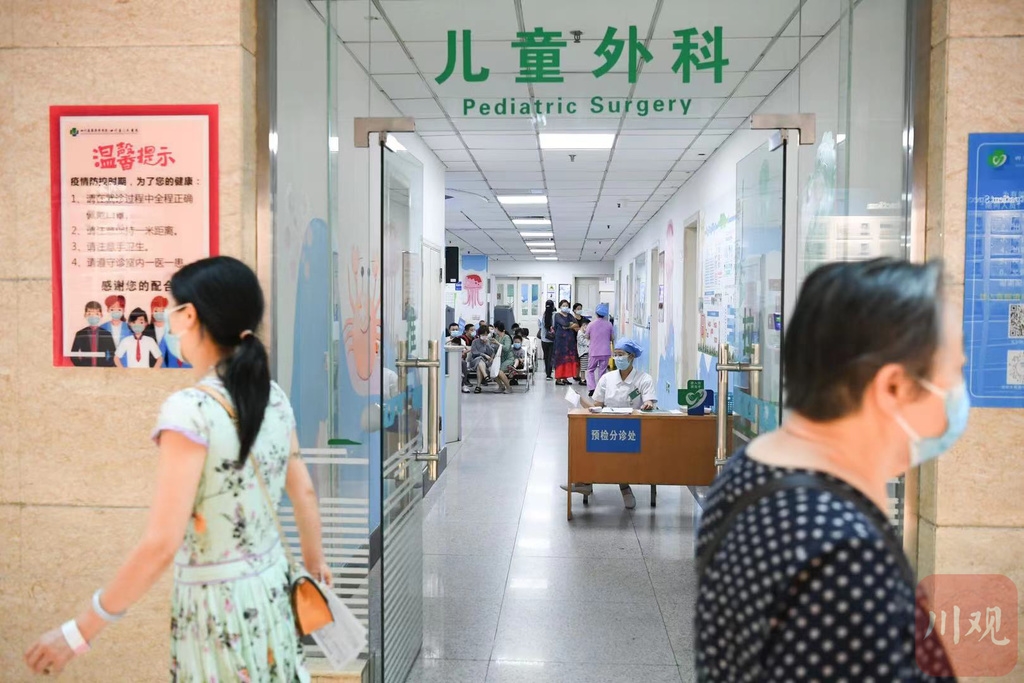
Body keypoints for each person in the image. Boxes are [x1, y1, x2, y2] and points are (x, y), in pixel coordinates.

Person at [24, 256, 331, 681]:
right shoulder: (273, 396)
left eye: (173, 308)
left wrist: (78, 632)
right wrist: (315, 570)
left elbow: (161, 545)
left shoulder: (189, 410)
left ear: (189, 315)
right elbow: (304, 494)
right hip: (273, 591)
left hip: (217, 608)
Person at [695, 259, 956, 681]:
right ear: (892, 387)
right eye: (952, 375)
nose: (956, 398)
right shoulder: (845, 556)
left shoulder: (749, 470)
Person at [563, 338, 656, 509]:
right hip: (607, 426)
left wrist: (648, 404)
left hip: (633, 429)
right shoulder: (607, 378)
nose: (618, 358)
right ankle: (585, 482)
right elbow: (597, 407)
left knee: (618, 450)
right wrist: (580, 399)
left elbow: (649, 401)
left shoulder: (644, 379)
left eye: (621, 355)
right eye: (616, 354)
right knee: (583, 441)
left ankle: (624, 488)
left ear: (631, 357)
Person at [70, 301, 117, 367]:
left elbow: (113, 353)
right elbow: (73, 354)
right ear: (85, 315)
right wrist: (81, 366)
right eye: (89, 313)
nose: (93, 316)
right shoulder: (80, 334)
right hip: (85, 368)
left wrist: (106, 366)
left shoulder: (107, 334)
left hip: (103, 368)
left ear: (101, 315)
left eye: (96, 313)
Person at [586, 303, 615, 397]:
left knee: (590, 370)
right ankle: (601, 390)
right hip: (605, 352)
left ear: (596, 313)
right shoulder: (609, 324)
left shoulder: (591, 324)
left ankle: (592, 389)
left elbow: (587, 336)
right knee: (602, 371)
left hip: (594, 351)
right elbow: (612, 338)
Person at [552, 299, 580, 386]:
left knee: (568, 359)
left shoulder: (570, 315)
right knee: (560, 359)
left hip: (570, 341)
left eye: (567, 305)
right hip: (560, 341)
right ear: (560, 306)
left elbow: (576, 324)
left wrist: (569, 326)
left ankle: (565, 378)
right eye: (563, 305)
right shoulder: (557, 315)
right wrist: (570, 325)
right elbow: (563, 323)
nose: (565, 307)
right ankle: (558, 379)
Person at [100, 294, 132, 365]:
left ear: (123, 310)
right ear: (108, 310)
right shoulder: (102, 328)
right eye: (112, 309)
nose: (116, 312)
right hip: (107, 363)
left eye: (119, 309)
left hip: (125, 363)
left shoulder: (129, 328)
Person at [469, 324, 496, 393]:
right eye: (483, 334)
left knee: (479, 365)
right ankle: (485, 375)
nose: (484, 336)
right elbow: (474, 353)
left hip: (485, 363)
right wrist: (484, 355)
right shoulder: (475, 342)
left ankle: (478, 386)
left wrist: (487, 344)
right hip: (474, 360)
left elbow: (491, 353)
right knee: (480, 359)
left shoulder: (488, 341)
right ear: (479, 334)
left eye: (486, 334)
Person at [492, 321, 514, 393]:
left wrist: (498, 343)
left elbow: (506, 348)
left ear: (497, 328)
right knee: (493, 370)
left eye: (494, 328)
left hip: (508, 359)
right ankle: (501, 386)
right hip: (499, 359)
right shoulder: (497, 337)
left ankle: (509, 387)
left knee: (500, 372)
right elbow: (495, 349)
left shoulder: (506, 337)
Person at [539, 300, 555, 380]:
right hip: (552, 339)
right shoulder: (554, 315)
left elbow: (539, 326)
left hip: (544, 339)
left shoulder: (542, 316)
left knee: (546, 356)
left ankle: (547, 372)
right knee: (550, 357)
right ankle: (549, 373)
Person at [576, 316, 591, 386]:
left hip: (585, 351)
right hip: (583, 352)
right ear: (584, 325)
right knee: (583, 367)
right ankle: (582, 379)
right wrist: (589, 341)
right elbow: (582, 342)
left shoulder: (583, 333)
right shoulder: (580, 333)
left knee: (585, 366)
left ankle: (583, 379)